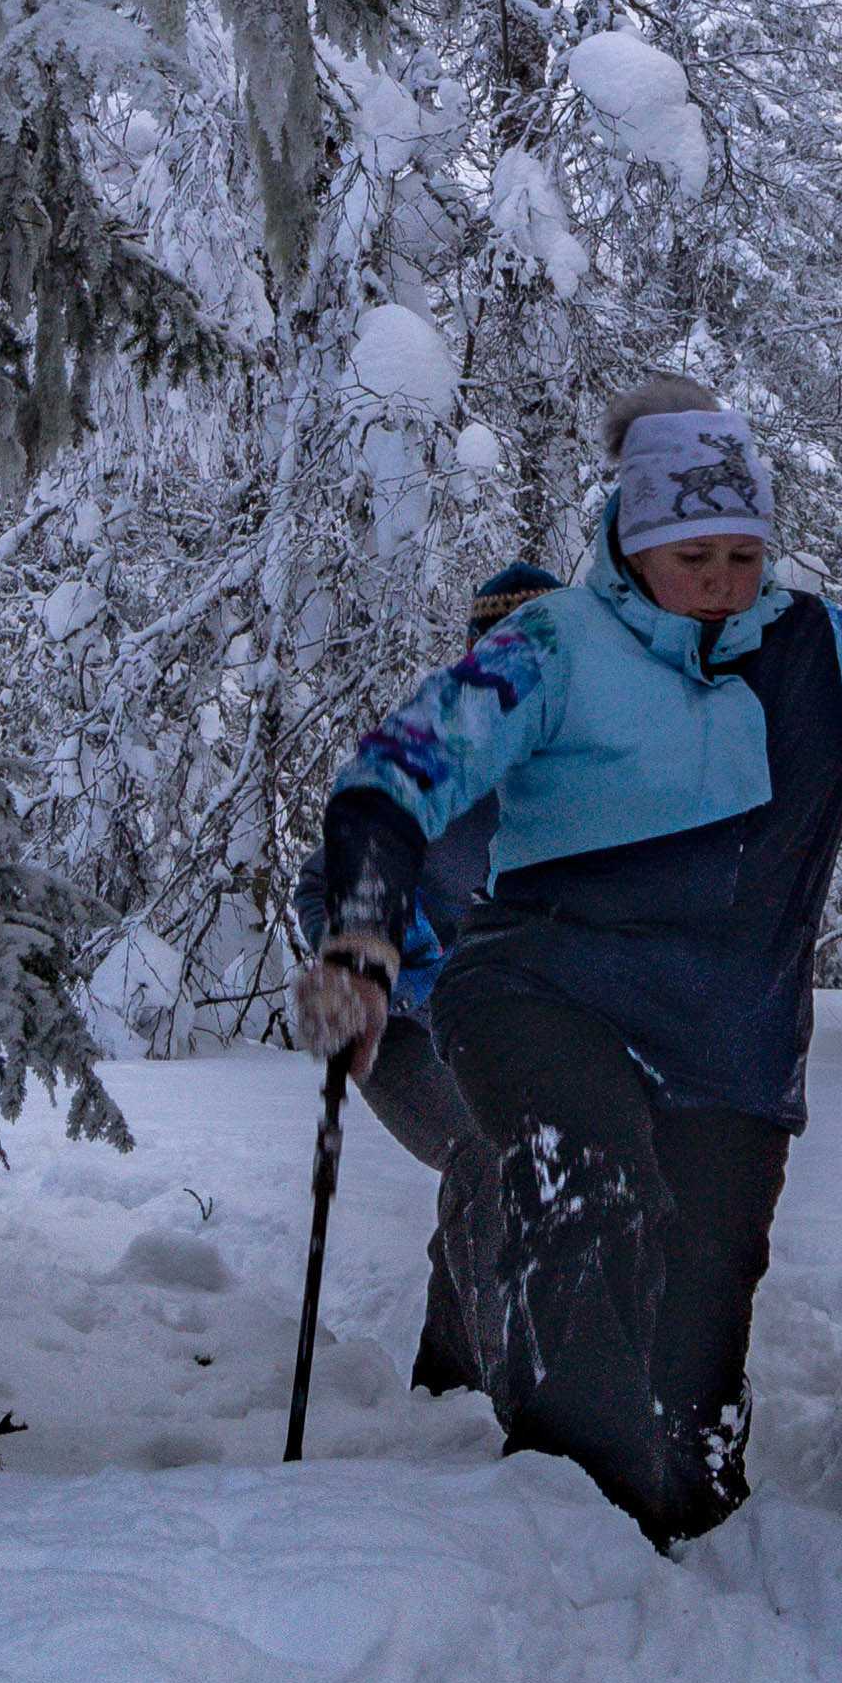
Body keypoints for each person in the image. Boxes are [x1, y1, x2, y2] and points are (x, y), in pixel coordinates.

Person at [298, 384, 842, 1545]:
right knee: (587, 1189)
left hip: (729, 1045)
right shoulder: (554, 643)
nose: (724, 577)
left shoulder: (817, 649)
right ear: (632, 538)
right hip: (538, 990)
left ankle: (688, 1542)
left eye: (746, 552)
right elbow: (397, 770)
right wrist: (367, 928)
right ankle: (569, 1528)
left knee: (697, 1339)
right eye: (694, 552)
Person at [361, 559, 558, 1398]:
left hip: (513, 1035)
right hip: (399, 1034)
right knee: (488, 1154)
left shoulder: (576, 771)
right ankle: (506, 1390)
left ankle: (444, 1379)